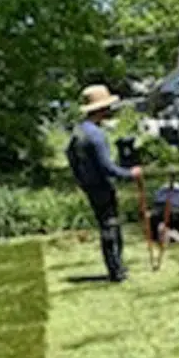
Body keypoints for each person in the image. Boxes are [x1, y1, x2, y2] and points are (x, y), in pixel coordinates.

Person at [67, 84, 142, 283]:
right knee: (111, 227)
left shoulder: (79, 132)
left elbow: (71, 157)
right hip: (101, 186)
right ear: (100, 110)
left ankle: (115, 266)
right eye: (107, 107)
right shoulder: (96, 136)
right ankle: (116, 270)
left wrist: (81, 180)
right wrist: (130, 173)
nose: (110, 110)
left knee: (105, 225)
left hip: (90, 187)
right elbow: (108, 167)